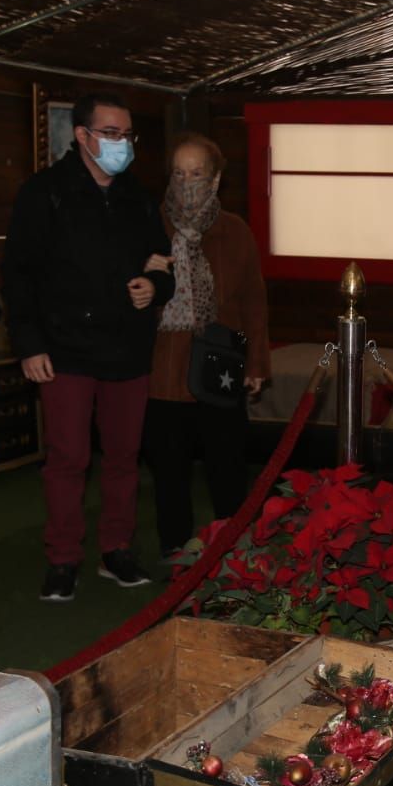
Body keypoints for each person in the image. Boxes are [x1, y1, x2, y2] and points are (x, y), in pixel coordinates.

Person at [2, 92, 174, 603]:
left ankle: (116, 551)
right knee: (68, 458)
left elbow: (162, 262)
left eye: (127, 135)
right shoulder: (44, 193)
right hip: (64, 348)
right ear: (83, 136)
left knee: (123, 457)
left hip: (126, 348)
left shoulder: (137, 198)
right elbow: (18, 275)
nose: (122, 145)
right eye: (112, 134)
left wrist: (154, 288)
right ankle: (62, 559)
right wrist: (28, 344)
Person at [141, 133, 270, 558]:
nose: (187, 181)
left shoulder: (235, 231)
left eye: (197, 173)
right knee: (169, 469)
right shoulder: (147, 225)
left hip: (221, 364)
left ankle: (232, 546)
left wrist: (257, 363)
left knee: (227, 465)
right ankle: (175, 548)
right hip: (163, 369)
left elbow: (253, 301)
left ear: (215, 180)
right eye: (179, 173)